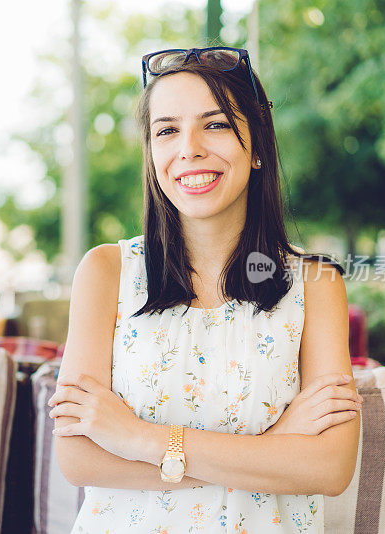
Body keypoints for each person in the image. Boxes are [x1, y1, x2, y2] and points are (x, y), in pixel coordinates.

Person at [47, 47, 361, 533]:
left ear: (257, 147)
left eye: (214, 125)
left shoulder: (316, 284)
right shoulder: (106, 271)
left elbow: (329, 468)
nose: (188, 148)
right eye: (167, 130)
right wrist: (275, 447)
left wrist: (138, 439)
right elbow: (78, 458)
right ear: (152, 155)